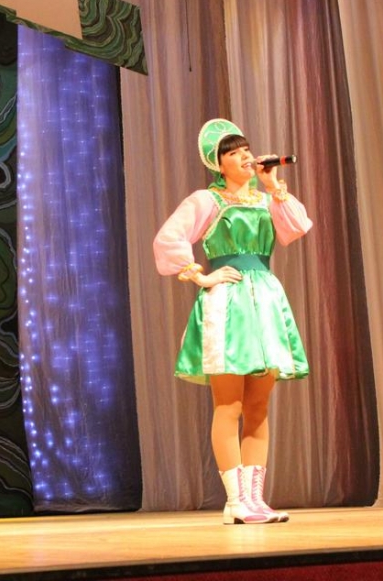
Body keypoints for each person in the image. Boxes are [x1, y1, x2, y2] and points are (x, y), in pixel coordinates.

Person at [153, 118, 312, 525]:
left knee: (259, 406)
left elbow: (297, 227)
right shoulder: (206, 200)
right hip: (228, 303)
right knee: (230, 404)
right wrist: (200, 275)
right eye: (234, 153)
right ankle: (235, 500)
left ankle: (255, 500)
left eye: (246, 150)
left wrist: (273, 186)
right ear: (218, 164)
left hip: (266, 301)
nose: (245, 157)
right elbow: (168, 239)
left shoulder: (265, 199)